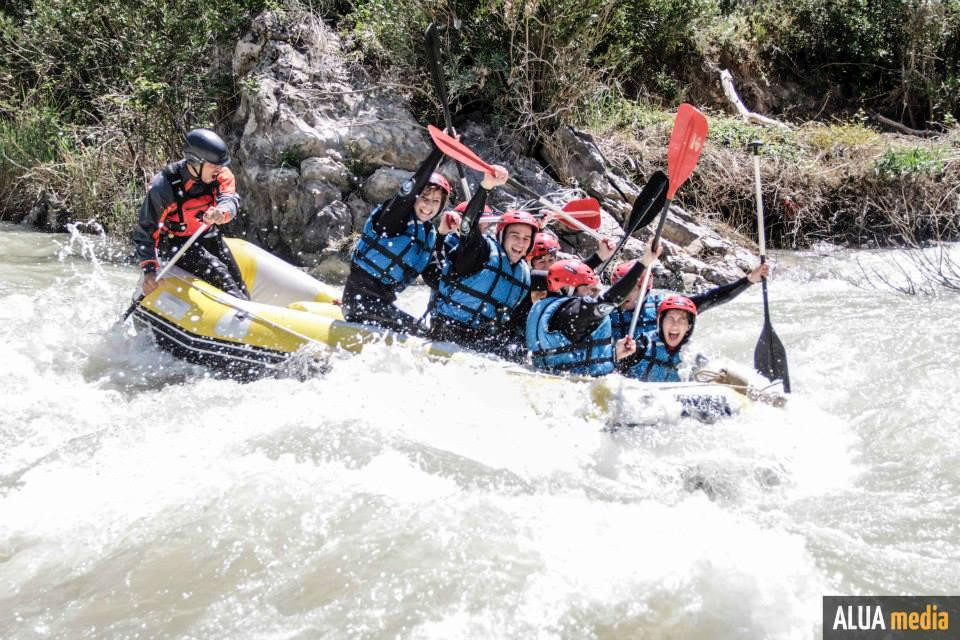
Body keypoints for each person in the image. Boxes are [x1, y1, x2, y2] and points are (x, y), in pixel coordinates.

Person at [342, 145, 461, 332]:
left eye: (435, 201)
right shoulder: (393, 219)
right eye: (424, 197)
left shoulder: (428, 235)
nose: (428, 206)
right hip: (360, 301)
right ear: (415, 197)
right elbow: (412, 187)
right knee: (419, 332)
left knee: (429, 331)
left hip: (383, 305)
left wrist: (443, 236)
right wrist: (440, 150)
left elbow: (434, 279)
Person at [427, 165, 536, 355]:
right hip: (447, 332)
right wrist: (486, 186)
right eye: (515, 236)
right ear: (501, 236)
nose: (520, 243)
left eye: (526, 239)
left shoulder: (524, 274)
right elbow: (468, 224)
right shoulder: (481, 252)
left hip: (482, 340)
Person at [133, 128, 249, 299]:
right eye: (212, 165)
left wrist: (222, 212)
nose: (218, 170)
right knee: (221, 275)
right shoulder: (165, 187)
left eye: (220, 165)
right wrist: (149, 270)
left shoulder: (221, 175)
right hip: (175, 244)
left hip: (207, 235)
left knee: (239, 286)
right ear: (194, 161)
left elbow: (229, 200)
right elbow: (146, 230)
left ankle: (247, 313)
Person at [525, 241, 659, 377]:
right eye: (586, 287)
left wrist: (614, 354)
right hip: (577, 387)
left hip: (554, 377)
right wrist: (643, 263)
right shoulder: (572, 312)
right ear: (567, 288)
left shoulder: (546, 307)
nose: (591, 292)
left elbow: (576, 354)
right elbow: (611, 300)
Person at [608, 259, 772, 338]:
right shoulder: (603, 311)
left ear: (644, 289)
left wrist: (749, 280)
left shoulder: (666, 307)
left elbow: (711, 298)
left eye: (629, 289)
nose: (621, 295)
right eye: (618, 287)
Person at [617, 295, 697, 382]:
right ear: (661, 322)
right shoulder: (642, 346)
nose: (675, 325)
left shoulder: (692, 355)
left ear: (689, 326)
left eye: (682, 320)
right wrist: (617, 356)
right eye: (670, 318)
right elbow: (612, 373)